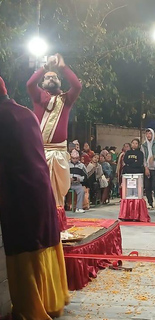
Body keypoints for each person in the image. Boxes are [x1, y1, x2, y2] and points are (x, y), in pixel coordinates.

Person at [0, 75, 69, 318]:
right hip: (41, 191)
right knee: (44, 244)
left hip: (19, 195)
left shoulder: (63, 101)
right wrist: (42, 68)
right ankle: (53, 302)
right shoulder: (28, 112)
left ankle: (30, 308)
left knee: (25, 249)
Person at [26, 53, 82, 231]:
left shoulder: (66, 99)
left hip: (58, 153)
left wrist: (63, 67)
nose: (51, 78)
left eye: (54, 76)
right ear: (42, 84)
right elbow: (29, 84)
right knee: (40, 188)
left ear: (59, 81)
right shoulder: (38, 97)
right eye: (47, 78)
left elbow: (77, 85)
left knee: (59, 191)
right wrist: (45, 67)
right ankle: (40, 223)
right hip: (39, 152)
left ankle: (56, 224)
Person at [141, 128, 155, 209]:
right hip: (147, 168)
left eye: (150, 133)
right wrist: (146, 167)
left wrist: (153, 157)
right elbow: (143, 158)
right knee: (147, 187)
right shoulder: (143, 145)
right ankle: (150, 203)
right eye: (147, 134)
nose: (148, 135)